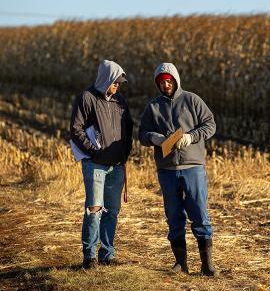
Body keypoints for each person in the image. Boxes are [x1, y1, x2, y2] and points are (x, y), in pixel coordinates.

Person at [139, 62, 216, 276]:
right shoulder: (153, 107)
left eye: (169, 80)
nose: (166, 85)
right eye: (161, 82)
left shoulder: (192, 100)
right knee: (173, 215)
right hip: (168, 169)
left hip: (193, 167)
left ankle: (207, 264)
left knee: (200, 213)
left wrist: (191, 137)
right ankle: (181, 263)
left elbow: (210, 124)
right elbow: (142, 133)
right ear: (158, 84)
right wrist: (154, 138)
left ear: (175, 80)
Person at [70, 59, 133, 269]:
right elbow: (76, 129)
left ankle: (107, 254)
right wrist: (93, 151)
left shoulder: (120, 101)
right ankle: (89, 257)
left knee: (112, 211)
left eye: (119, 83)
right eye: (114, 82)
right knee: (94, 209)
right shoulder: (86, 98)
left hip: (116, 165)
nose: (116, 86)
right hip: (95, 164)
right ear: (105, 79)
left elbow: (129, 127)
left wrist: (125, 152)